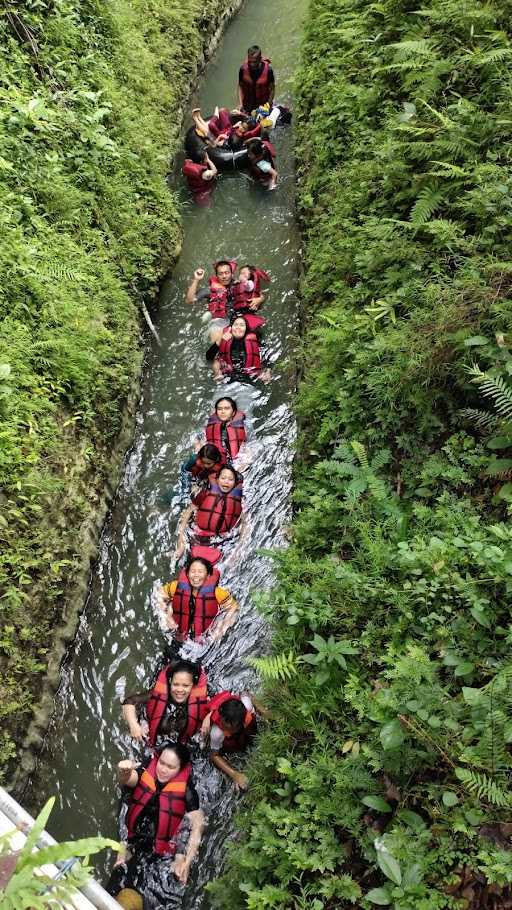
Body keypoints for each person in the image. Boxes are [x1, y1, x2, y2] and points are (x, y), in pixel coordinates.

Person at [108, 743, 204, 902]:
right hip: (135, 835)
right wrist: (123, 770)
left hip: (164, 845)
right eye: (162, 763)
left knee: (162, 890)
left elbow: (198, 825)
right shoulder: (147, 770)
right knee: (119, 876)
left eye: (170, 767)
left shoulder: (187, 791)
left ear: (180, 769)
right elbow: (129, 780)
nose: (163, 769)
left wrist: (186, 860)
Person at [122, 659, 209, 746]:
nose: (179, 690)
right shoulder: (159, 693)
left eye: (185, 686)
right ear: (170, 682)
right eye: (176, 684)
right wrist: (134, 725)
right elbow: (129, 701)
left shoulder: (201, 700)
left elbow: (216, 710)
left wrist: (208, 717)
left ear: (193, 685)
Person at [158, 555, 239, 641]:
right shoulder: (177, 586)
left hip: (205, 630)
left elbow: (234, 608)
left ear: (207, 576)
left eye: (200, 572)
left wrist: (221, 629)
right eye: (193, 571)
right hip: (180, 628)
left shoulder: (217, 593)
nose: (196, 576)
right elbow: (159, 595)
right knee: (171, 605)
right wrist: (166, 616)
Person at [175, 466, 246, 557]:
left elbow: (245, 524)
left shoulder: (240, 501)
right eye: (223, 478)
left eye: (230, 479)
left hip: (223, 540)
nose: (226, 481)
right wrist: (181, 544)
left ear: (235, 482)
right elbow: (187, 513)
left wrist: (237, 553)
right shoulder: (205, 494)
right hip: (196, 534)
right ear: (217, 479)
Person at [202, 692, 258, 791]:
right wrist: (234, 774)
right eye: (223, 724)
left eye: (229, 728)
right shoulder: (217, 733)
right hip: (228, 741)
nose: (224, 728)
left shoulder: (246, 706)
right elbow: (214, 756)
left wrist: (264, 711)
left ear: (242, 722)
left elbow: (247, 694)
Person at [185, 260, 236, 344]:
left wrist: (259, 299)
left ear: (231, 274)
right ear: (216, 276)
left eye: (227, 273)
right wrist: (196, 279)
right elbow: (189, 300)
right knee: (218, 344)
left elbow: (258, 294)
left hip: (236, 317)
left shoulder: (239, 285)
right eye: (220, 273)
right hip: (219, 319)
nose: (224, 276)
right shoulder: (209, 290)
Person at [212, 316, 266, 383]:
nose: (238, 327)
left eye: (242, 325)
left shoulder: (256, 342)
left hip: (250, 378)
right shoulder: (224, 340)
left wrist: (267, 372)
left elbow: (265, 357)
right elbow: (211, 356)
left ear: (246, 329)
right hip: (227, 378)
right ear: (231, 328)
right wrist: (217, 372)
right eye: (235, 325)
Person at [205, 397, 247, 462]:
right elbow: (199, 438)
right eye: (219, 409)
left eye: (227, 408)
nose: (223, 411)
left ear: (233, 412)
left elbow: (250, 445)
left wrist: (245, 461)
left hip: (236, 461)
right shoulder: (210, 425)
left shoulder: (244, 426)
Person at [231, 265, 270, 331]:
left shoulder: (250, 283)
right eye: (241, 273)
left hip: (248, 310)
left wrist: (260, 299)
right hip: (237, 311)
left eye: (244, 273)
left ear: (250, 275)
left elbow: (248, 286)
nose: (241, 275)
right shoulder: (236, 284)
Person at [238, 46, 275, 114]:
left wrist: (269, 104)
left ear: (260, 59)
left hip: (263, 105)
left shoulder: (268, 70)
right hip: (248, 105)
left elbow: (272, 88)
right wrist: (240, 104)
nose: (252, 64)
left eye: (254, 62)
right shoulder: (242, 69)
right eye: (250, 61)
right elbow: (240, 86)